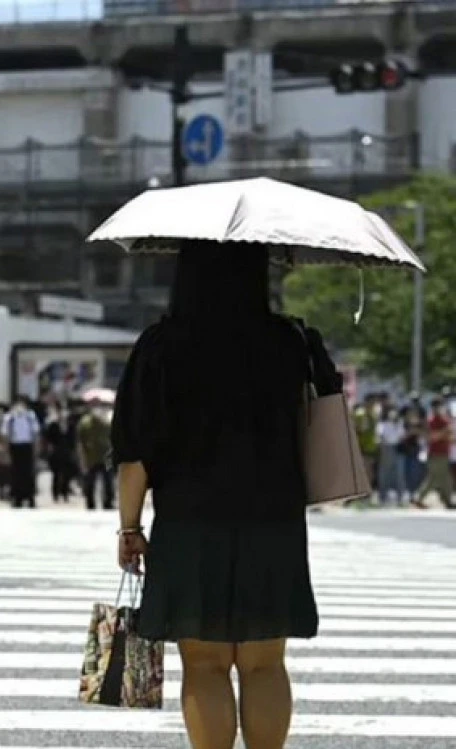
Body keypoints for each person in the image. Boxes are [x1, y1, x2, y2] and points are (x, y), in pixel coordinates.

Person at [112, 241, 325, 749]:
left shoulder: (162, 345)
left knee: (204, 665)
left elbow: (134, 452)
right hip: (273, 518)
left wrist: (129, 526)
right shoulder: (288, 341)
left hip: (189, 520)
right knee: (264, 663)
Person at [1, 395, 42, 508]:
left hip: (27, 446)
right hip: (14, 446)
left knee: (28, 473)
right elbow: (5, 435)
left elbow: (35, 433)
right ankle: (16, 497)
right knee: (15, 473)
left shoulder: (30, 416)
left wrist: (36, 448)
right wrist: (6, 451)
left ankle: (30, 497)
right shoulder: (9, 417)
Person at [416, 398, 455, 509]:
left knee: (445, 478)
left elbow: (450, 437)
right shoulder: (431, 421)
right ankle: (419, 498)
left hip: (444, 452)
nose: (439, 409)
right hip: (435, 454)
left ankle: (447, 501)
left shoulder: (445, 420)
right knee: (434, 478)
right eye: (436, 407)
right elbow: (431, 437)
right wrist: (445, 432)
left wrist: (448, 433)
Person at [77, 398, 114, 510]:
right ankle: (90, 503)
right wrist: (82, 457)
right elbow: (81, 441)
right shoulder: (85, 422)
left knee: (108, 482)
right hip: (91, 457)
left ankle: (108, 503)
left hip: (106, 457)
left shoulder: (108, 419)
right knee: (90, 482)